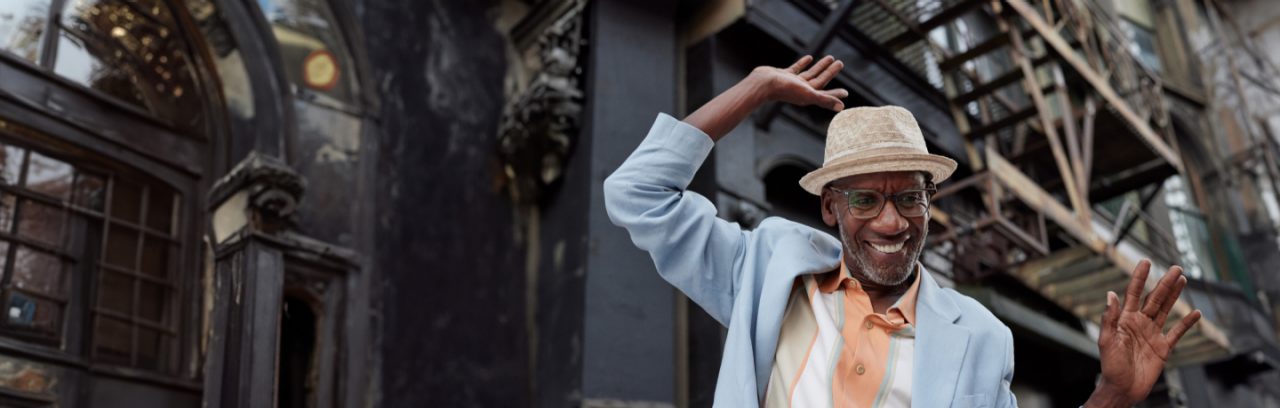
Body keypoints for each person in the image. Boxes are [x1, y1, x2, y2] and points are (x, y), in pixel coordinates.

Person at [603, 55, 1201, 407]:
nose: (892, 222)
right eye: (865, 199)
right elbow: (637, 194)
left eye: (909, 198)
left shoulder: (983, 339)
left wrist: (1114, 397)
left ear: (929, 202)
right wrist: (755, 88)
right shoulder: (765, 272)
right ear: (831, 209)